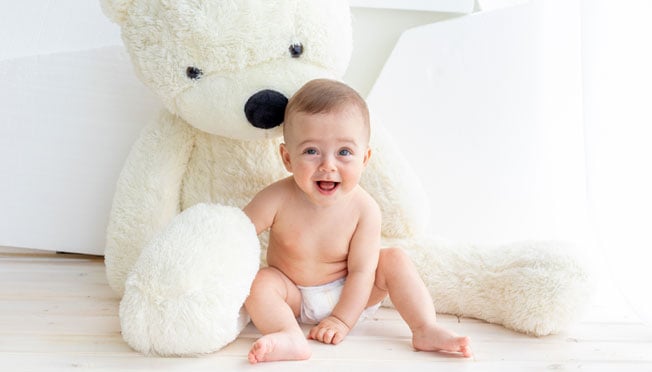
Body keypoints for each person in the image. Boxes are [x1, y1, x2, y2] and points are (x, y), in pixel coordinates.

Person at [243, 79, 472, 364]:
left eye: (344, 152)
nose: (328, 165)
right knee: (259, 282)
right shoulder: (275, 198)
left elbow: (363, 272)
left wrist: (341, 319)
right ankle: (288, 334)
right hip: (293, 295)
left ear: (364, 159)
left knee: (394, 260)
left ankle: (424, 327)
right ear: (287, 158)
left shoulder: (365, 209)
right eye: (311, 151)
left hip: (352, 293)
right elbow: (238, 234)